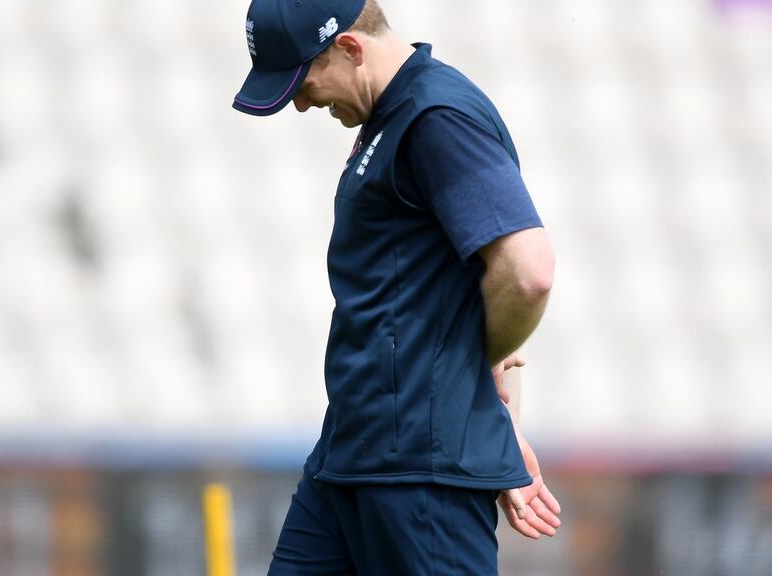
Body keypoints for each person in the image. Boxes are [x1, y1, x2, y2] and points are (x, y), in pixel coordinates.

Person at [233, 0, 560, 573]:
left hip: (416, 468)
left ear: (351, 49)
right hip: (351, 454)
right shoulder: (394, 117)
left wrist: (473, 395)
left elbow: (527, 272)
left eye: (303, 81)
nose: (303, 103)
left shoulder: (438, 117)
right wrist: (490, 413)